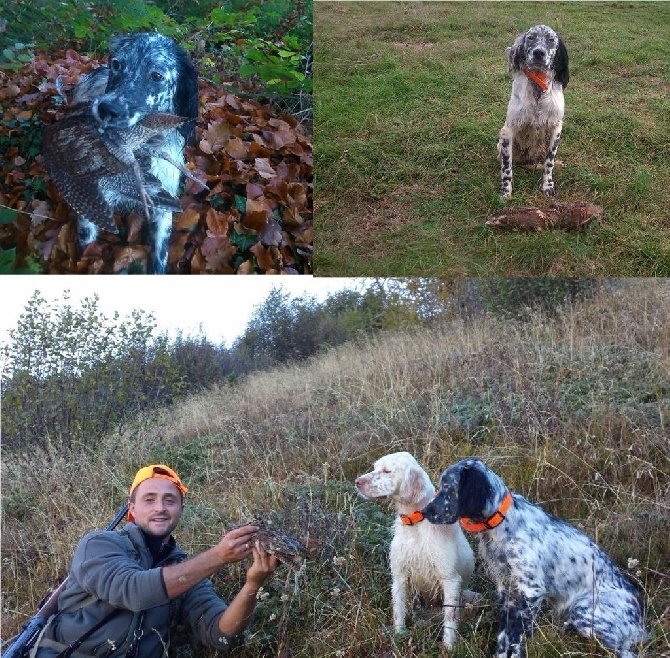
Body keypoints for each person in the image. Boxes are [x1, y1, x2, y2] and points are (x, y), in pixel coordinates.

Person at [32, 464, 278, 656]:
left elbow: (220, 635)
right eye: (149, 499)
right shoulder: (99, 544)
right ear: (132, 509)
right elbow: (133, 591)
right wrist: (218, 556)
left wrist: (252, 585)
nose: (160, 507)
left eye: (169, 500)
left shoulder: (185, 569)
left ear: (181, 508)